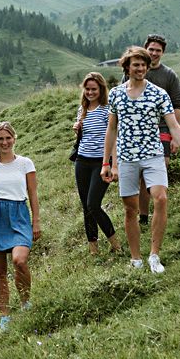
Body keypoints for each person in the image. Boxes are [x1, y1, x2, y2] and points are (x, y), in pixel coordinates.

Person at [101, 46, 180, 273]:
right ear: (127, 67)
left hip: (153, 154)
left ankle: (154, 255)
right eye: (136, 65)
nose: (141, 68)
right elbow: (112, 129)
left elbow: (173, 124)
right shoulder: (115, 94)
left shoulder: (158, 93)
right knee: (130, 209)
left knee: (161, 198)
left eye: (144, 64)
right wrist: (107, 163)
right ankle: (136, 258)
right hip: (126, 158)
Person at [0, 121, 41, 331]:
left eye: (8, 138)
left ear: (14, 139)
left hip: (19, 214)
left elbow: (32, 193)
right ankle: (5, 315)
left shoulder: (25, 163)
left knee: (19, 260)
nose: (5, 142)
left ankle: (25, 301)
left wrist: (36, 221)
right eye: (0, 139)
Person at [72, 72, 121, 255]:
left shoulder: (107, 109)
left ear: (101, 89)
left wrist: (112, 163)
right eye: (87, 89)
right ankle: (93, 249)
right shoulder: (81, 110)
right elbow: (85, 138)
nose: (90, 93)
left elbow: (114, 137)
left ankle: (115, 244)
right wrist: (78, 129)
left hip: (101, 162)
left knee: (93, 204)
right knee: (86, 206)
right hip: (82, 161)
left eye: (94, 89)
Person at [137, 33, 180, 226]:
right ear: (145, 49)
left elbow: (176, 108)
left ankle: (159, 211)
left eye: (158, 50)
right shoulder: (136, 71)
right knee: (141, 176)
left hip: (162, 128)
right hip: (138, 129)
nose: (154, 53)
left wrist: (175, 138)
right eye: (151, 49)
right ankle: (143, 217)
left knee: (159, 170)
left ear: (163, 53)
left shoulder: (170, 76)